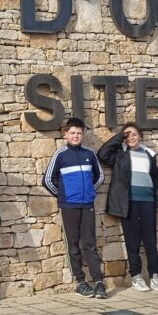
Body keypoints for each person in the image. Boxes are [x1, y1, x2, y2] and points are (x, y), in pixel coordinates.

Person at [43, 117, 107, 299]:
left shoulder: (89, 154)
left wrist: (89, 192)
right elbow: (47, 180)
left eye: (79, 133)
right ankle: (80, 282)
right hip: (69, 206)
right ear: (66, 134)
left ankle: (99, 281)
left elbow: (100, 177)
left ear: (83, 134)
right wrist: (64, 195)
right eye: (72, 133)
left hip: (87, 205)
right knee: (73, 245)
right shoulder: (60, 154)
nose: (76, 136)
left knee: (90, 244)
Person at [98, 122, 158, 291]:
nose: (131, 137)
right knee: (132, 239)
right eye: (128, 135)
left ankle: (155, 275)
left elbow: (155, 180)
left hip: (148, 202)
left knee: (150, 239)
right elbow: (103, 153)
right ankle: (136, 276)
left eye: (134, 134)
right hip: (128, 203)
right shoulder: (120, 154)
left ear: (140, 136)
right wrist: (120, 137)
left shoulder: (149, 154)